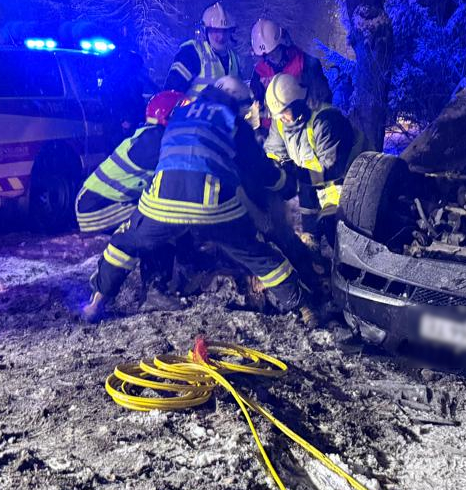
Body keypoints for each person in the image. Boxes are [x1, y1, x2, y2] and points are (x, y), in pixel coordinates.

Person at [81, 76, 315, 325]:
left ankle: (97, 303)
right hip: (213, 205)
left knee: (127, 241)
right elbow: (257, 172)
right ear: (235, 102)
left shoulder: (179, 115)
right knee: (256, 252)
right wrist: (286, 183)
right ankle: (305, 307)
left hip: (162, 202)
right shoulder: (233, 122)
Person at [263, 72, 367, 246]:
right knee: (310, 229)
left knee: (342, 239)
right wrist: (276, 170)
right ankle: (315, 248)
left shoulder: (325, 120)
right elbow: (274, 152)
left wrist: (293, 175)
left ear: (297, 103)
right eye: (277, 115)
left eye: (284, 112)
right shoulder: (281, 121)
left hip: (347, 184)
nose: (281, 118)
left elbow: (333, 169)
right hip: (313, 185)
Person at [74, 90, 186, 234]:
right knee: (160, 213)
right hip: (96, 208)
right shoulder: (156, 142)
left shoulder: (150, 135)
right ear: (170, 115)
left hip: (97, 202)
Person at [249, 18, 331, 128]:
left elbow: (323, 98)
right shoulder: (259, 72)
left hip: (304, 128)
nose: (271, 57)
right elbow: (254, 107)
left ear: (282, 44)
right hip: (271, 134)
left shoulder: (305, 63)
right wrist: (257, 132)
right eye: (266, 55)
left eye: (274, 51)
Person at [165, 3, 242, 94]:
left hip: (226, 108)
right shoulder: (191, 53)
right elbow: (171, 91)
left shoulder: (234, 58)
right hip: (193, 108)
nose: (221, 36)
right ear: (205, 31)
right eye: (215, 31)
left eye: (225, 31)